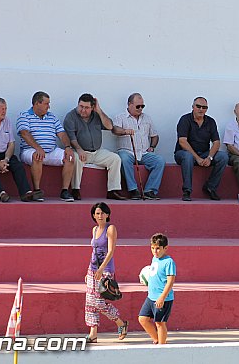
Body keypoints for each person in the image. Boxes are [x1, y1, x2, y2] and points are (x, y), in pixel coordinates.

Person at [64, 94, 126, 201]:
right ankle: (75, 190)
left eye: (86, 107)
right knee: (75, 158)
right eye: (81, 106)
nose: (83, 110)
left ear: (92, 107)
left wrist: (100, 111)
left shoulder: (97, 115)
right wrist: (79, 150)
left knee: (115, 158)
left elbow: (110, 126)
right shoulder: (71, 116)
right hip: (80, 151)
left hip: (97, 152)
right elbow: (71, 137)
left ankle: (113, 190)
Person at [17, 91, 75, 202]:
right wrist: (37, 148)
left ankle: (64, 191)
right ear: (37, 103)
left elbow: (62, 134)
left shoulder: (52, 116)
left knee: (70, 157)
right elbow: (24, 133)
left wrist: (68, 147)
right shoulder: (24, 116)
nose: (49, 106)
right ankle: (37, 190)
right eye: (46, 103)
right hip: (29, 150)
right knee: (37, 155)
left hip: (51, 151)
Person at [84, 202, 128, 343]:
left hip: (105, 269)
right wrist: (89, 271)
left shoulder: (111, 229)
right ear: (93, 215)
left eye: (102, 213)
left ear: (107, 214)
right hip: (93, 269)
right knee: (90, 302)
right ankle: (93, 333)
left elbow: (111, 251)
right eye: (97, 213)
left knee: (99, 301)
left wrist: (102, 269)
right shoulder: (94, 229)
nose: (100, 215)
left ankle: (120, 322)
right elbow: (93, 251)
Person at [112, 93, 166, 200]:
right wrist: (124, 131)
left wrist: (152, 146)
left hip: (144, 152)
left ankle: (150, 190)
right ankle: (133, 189)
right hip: (127, 151)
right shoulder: (120, 117)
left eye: (142, 106)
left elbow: (155, 136)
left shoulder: (147, 118)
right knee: (124, 159)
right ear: (129, 104)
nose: (140, 109)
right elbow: (114, 130)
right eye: (138, 106)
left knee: (160, 160)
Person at [174, 97, 228, 201]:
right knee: (188, 156)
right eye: (198, 106)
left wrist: (210, 157)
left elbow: (216, 142)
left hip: (203, 154)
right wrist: (197, 158)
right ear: (193, 107)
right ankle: (187, 191)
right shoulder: (185, 120)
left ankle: (210, 187)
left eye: (204, 107)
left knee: (223, 156)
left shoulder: (211, 121)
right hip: (183, 154)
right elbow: (182, 141)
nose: (201, 109)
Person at [138, 233, 176, 345]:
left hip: (162, 298)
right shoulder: (154, 259)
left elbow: (170, 281)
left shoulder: (169, 262)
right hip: (151, 297)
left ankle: (162, 346)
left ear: (165, 248)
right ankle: (156, 339)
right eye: (152, 248)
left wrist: (162, 298)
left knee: (159, 323)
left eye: (158, 249)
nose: (155, 251)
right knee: (142, 319)